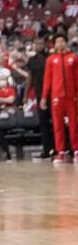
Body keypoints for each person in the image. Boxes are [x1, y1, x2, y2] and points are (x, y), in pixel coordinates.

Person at [41, 33, 78, 162]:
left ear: (66, 43)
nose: (60, 43)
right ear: (55, 44)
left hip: (71, 97)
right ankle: (60, 151)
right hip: (56, 97)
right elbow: (47, 80)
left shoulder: (73, 58)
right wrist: (44, 97)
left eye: (62, 41)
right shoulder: (51, 60)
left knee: (74, 124)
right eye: (58, 41)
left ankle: (76, 150)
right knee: (58, 125)